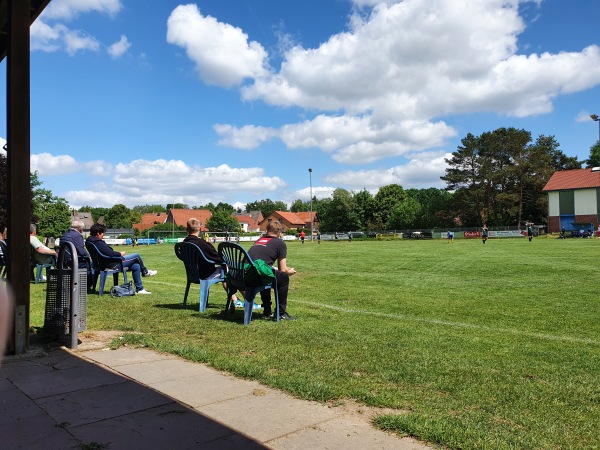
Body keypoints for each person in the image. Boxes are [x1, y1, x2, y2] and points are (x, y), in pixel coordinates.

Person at [182, 218, 239, 308]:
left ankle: (234, 299)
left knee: (224, 270)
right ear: (200, 229)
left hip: (192, 274)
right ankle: (238, 300)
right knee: (226, 269)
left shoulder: (183, 244)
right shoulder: (202, 244)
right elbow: (218, 257)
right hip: (206, 275)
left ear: (187, 229)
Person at [86, 223, 156, 295]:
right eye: (103, 233)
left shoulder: (90, 241)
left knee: (136, 266)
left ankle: (139, 289)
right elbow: (109, 253)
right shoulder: (98, 242)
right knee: (136, 256)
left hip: (102, 264)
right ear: (98, 233)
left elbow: (106, 253)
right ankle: (145, 272)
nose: (103, 235)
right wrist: (120, 254)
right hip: (112, 264)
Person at [248, 222, 297, 320]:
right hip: (258, 276)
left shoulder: (259, 240)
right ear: (279, 232)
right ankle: (280, 313)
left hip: (246, 275)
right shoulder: (280, 243)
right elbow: (282, 269)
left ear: (267, 231)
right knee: (283, 277)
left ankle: (267, 311)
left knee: (267, 273)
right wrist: (289, 272)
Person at [59, 220, 94, 291]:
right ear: (80, 229)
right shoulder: (77, 236)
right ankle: (88, 286)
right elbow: (82, 251)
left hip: (64, 260)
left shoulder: (64, 235)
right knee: (91, 264)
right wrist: (89, 256)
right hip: (73, 261)